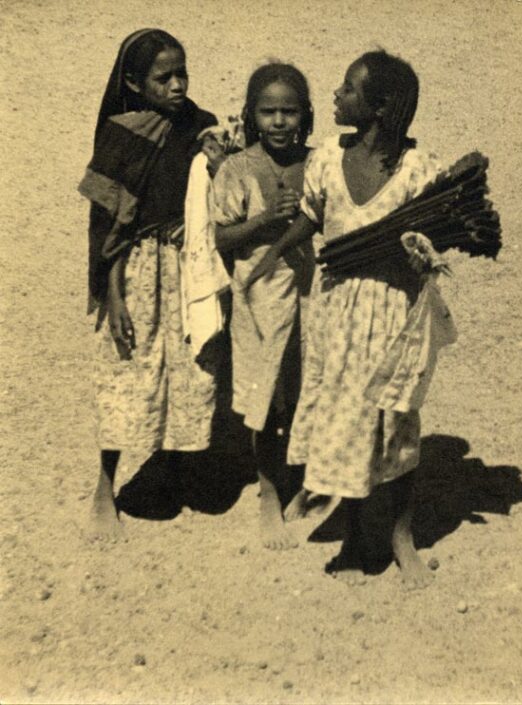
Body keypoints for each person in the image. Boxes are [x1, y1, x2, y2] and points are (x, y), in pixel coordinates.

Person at [247, 50, 455, 588]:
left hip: (393, 314)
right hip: (337, 312)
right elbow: (312, 216)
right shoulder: (325, 160)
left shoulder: (419, 169)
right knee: (344, 417)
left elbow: (431, 242)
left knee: (394, 423)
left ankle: (400, 537)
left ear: (379, 107)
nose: (335, 97)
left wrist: (422, 256)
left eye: (347, 89)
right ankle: (359, 534)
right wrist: (274, 253)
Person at [78, 29, 220, 539]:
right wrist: (113, 294)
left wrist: (212, 148)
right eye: (165, 78)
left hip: (186, 266)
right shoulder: (121, 135)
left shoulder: (196, 124)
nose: (178, 85)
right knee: (128, 369)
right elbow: (110, 228)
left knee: (187, 368)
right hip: (136, 270)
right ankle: (104, 489)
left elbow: (212, 152)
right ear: (135, 83)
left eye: (182, 74)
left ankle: (173, 472)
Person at [213, 62, 315, 550]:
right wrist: (261, 221)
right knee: (266, 397)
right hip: (259, 297)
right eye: (268, 111)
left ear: (305, 116)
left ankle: (305, 482)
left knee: (303, 390)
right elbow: (221, 236)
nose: (278, 122)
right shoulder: (237, 168)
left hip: (312, 294)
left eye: (289, 112)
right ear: (252, 116)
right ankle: (269, 493)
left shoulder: (318, 164)